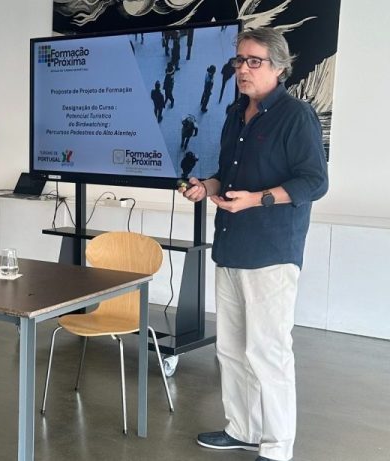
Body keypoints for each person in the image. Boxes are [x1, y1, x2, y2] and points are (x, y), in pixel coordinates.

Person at [180, 28, 328, 461]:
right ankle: (243, 430)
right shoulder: (235, 114)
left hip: (271, 251)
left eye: (253, 61)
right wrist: (206, 187)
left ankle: (278, 446)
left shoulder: (296, 115)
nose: (242, 69)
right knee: (231, 350)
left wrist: (257, 200)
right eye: (239, 60)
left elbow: (314, 182)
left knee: (268, 351)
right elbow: (228, 176)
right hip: (230, 246)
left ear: (279, 67)